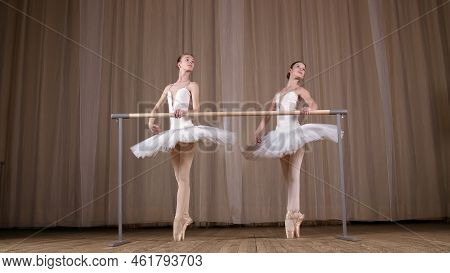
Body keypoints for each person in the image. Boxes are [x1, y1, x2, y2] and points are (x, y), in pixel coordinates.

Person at [131, 53, 234, 241]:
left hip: (187, 130)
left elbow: (196, 109)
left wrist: (184, 110)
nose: (191, 62)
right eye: (187, 59)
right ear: (178, 64)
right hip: (172, 133)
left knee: (184, 176)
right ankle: (184, 216)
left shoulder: (192, 86)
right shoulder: (169, 87)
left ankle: (179, 219)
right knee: (179, 177)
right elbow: (155, 108)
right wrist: (150, 123)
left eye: (193, 61)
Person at [243, 61, 338, 238]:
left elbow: (314, 104)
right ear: (290, 70)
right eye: (298, 67)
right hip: (279, 136)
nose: (301, 70)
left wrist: (309, 108)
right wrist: (259, 129)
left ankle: (291, 216)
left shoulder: (300, 91)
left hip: (295, 134)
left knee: (294, 175)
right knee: (288, 178)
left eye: (304, 69)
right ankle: (296, 214)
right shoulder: (279, 93)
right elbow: (269, 113)